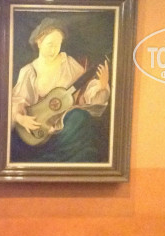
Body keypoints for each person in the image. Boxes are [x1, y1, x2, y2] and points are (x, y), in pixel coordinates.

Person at [10, 17, 110, 163]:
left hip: (66, 128)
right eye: (50, 44)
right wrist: (21, 118)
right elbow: (18, 99)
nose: (54, 50)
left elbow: (86, 89)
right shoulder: (29, 71)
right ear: (39, 42)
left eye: (58, 45)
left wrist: (101, 86)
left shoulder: (68, 63)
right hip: (38, 128)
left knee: (80, 117)